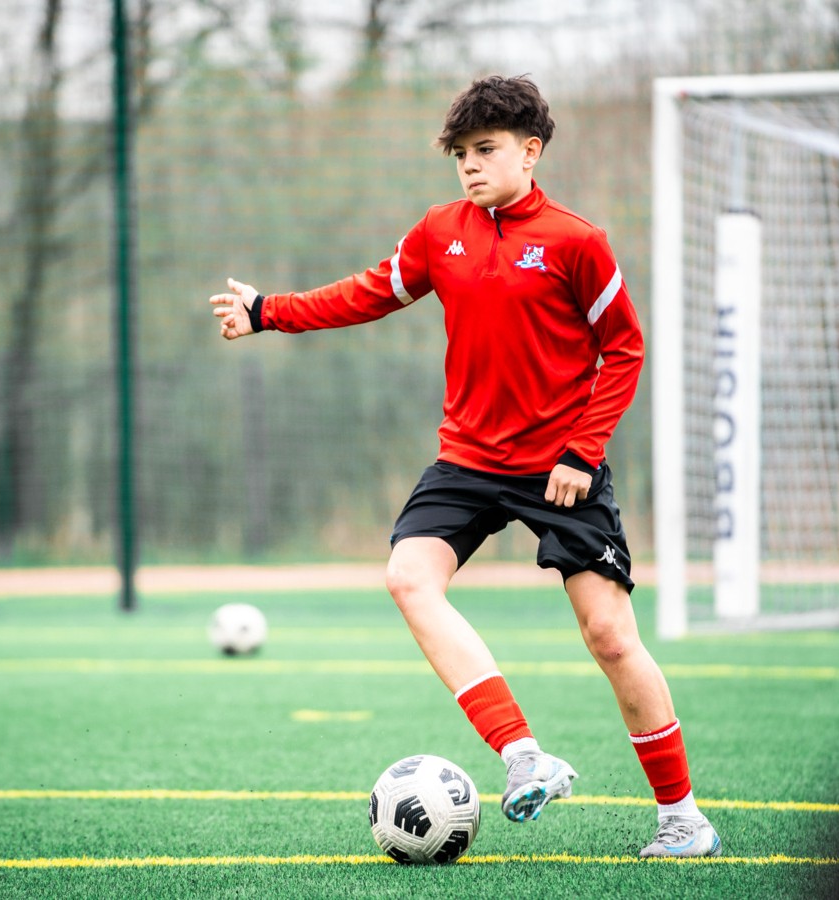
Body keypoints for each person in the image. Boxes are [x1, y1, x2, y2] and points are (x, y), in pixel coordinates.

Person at [209, 74, 720, 858]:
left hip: (561, 467)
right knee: (408, 578)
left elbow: (624, 348)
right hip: (468, 460)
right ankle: (523, 755)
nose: (470, 166)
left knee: (611, 637)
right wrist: (267, 311)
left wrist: (582, 452)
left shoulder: (577, 242)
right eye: (460, 155)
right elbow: (368, 293)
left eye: (485, 150)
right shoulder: (439, 231)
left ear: (530, 151)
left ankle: (682, 817)